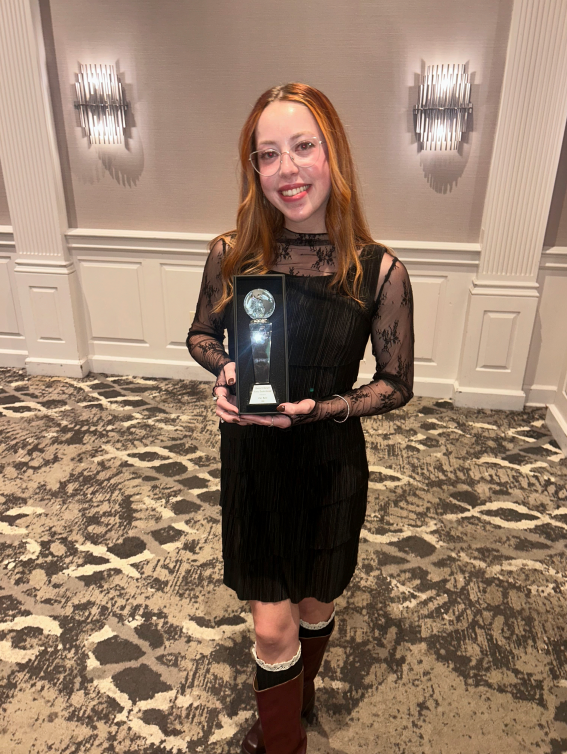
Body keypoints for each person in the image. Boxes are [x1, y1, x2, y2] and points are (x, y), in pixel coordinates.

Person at [186, 82, 414, 754]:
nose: (286, 168)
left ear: (332, 153)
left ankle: (298, 693)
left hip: (329, 465)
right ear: (254, 168)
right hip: (254, 459)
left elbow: (395, 385)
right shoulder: (232, 253)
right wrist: (225, 369)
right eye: (267, 154)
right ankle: (284, 739)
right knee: (270, 627)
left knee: (316, 604)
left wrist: (325, 408)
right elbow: (200, 335)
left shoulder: (379, 271)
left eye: (302, 146)